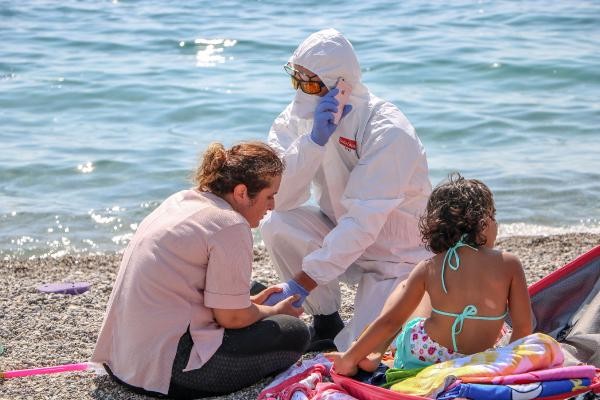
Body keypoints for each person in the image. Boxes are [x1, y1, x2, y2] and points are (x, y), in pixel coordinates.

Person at [92, 142, 310, 399]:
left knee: (254, 292)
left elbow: (183, 288)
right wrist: (273, 311)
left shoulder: (182, 200)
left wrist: (251, 304)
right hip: (169, 373)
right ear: (242, 192)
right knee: (295, 333)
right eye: (269, 196)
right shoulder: (230, 224)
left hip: (122, 360)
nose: (272, 206)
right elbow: (233, 319)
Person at [259, 28, 432, 352]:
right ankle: (325, 318)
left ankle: (350, 322)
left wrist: (300, 284)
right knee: (277, 222)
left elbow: (364, 222)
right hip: (341, 233)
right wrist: (313, 143)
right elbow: (279, 197)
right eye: (296, 79)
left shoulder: (387, 129)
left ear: (341, 84)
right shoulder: (297, 120)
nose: (301, 91)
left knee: (367, 352)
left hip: (399, 258)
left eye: (310, 83)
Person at [326, 173, 534, 376]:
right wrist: (504, 366)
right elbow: (523, 327)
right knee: (501, 328)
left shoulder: (430, 267)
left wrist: (349, 359)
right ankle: (373, 352)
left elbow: (390, 321)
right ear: (484, 222)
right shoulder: (509, 263)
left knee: (408, 289)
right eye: (494, 217)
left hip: (428, 356)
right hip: (482, 357)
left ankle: (373, 352)